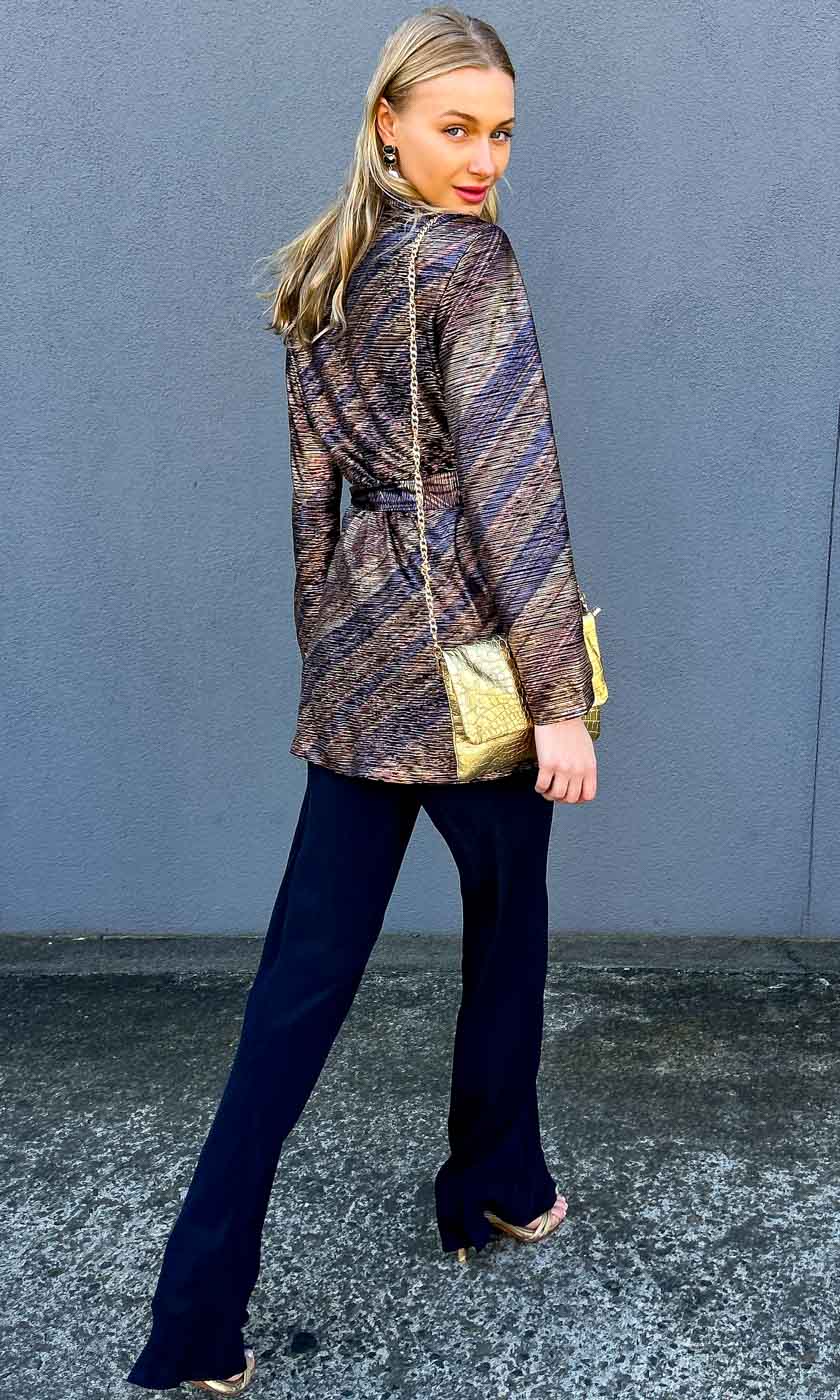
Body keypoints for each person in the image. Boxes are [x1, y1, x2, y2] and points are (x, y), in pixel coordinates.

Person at [125, 6, 597, 1393]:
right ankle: (496, 1184)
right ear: (389, 123)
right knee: (508, 935)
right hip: (472, 672)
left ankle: (195, 1320)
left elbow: (311, 507)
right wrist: (558, 695)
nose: (482, 159)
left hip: (361, 661)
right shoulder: (470, 262)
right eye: (455, 127)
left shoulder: (328, 268)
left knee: (296, 989)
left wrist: (330, 656)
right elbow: (517, 488)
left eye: (501, 133)